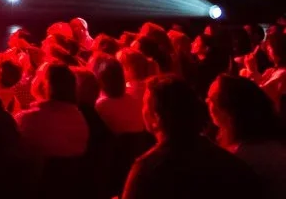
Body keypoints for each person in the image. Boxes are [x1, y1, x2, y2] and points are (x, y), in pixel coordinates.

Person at [122, 75, 262, 199]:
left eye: (145, 104)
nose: (142, 109)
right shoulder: (230, 163)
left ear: (156, 118)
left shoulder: (147, 170)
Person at [207, 74, 286, 195]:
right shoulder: (265, 138)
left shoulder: (245, 156)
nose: (206, 101)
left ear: (230, 111)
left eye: (211, 99)